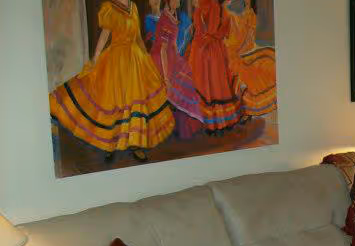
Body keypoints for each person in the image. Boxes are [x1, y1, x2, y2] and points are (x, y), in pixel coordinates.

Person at [49, 0, 173, 162]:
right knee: (113, 101)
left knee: (135, 100)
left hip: (135, 61)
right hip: (116, 61)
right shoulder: (110, 8)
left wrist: (146, 58)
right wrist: (95, 59)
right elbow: (104, 35)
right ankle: (110, 143)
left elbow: (138, 38)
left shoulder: (133, 7)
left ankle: (135, 144)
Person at [151, 0, 203, 139]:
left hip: (173, 56)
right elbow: (162, 50)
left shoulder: (174, 16)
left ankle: (185, 126)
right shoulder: (165, 19)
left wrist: (179, 58)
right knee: (180, 86)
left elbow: (173, 44)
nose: (178, 1)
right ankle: (181, 127)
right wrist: (166, 78)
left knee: (190, 81)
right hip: (162, 59)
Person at [188, 0, 243, 133]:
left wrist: (200, 41)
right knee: (216, 85)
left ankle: (213, 123)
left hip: (207, 50)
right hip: (214, 49)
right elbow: (221, 31)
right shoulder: (219, 9)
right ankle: (219, 121)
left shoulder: (210, 6)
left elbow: (210, 30)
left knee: (211, 86)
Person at [225, 0, 277, 117]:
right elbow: (229, 44)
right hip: (231, 57)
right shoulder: (227, 11)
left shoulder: (248, 9)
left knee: (270, 66)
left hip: (247, 53)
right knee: (252, 83)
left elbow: (250, 40)